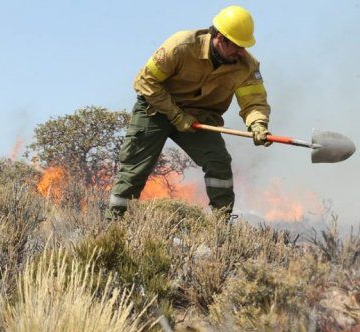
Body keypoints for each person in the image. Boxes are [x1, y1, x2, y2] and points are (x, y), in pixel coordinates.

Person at [107, 5, 271, 219]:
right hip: (156, 109)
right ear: (220, 38)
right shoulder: (181, 46)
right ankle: (115, 223)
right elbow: (145, 81)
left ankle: (221, 225)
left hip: (199, 118)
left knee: (218, 163)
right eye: (238, 46)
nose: (241, 52)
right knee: (135, 169)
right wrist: (176, 115)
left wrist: (258, 124)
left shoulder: (246, 66)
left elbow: (254, 102)